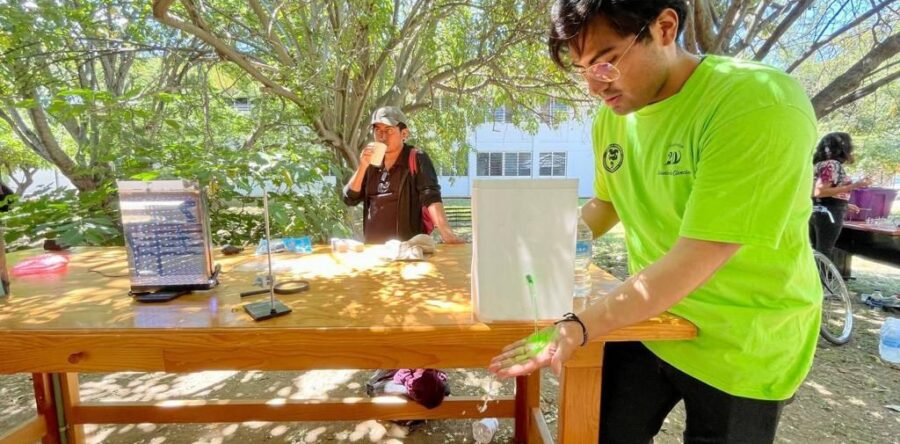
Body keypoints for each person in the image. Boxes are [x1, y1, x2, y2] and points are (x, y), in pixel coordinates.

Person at [490, 1, 820, 442]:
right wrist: (536, 242)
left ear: (665, 27)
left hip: (743, 342)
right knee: (599, 433)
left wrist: (579, 324)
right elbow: (607, 204)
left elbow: (701, 254)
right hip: (648, 320)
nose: (594, 85)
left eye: (606, 62)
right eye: (582, 68)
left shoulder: (757, 101)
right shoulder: (614, 119)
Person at [343, 106, 463, 245]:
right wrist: (363, 166)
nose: (382, 136)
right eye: (378, 131)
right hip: (374, 250)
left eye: (389, 130)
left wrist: (447, 234)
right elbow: (349, 198)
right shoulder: (371, 164)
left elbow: (431, 197)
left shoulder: (417, 158)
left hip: (407, 250)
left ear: (404, 133)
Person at [810, 132, 869, 262]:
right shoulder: (833, 165)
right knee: (824, 253)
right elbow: (820, 191)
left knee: (815, 252)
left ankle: (811, 280)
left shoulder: (818, 164)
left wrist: (844, 204)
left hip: (817, 210)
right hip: (829, 214)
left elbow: (816, 193)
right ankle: (821, 282)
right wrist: (854, 185)